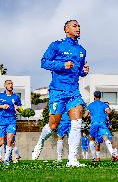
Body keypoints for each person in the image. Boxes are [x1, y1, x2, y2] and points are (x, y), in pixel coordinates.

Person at [32, 20, 89, 167]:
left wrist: (84, 72)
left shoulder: (82, 50)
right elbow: (43, 62)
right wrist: (62, 65)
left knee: (77, 123)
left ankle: (72, 160)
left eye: (79, 26)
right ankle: (41, 141)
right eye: (74, 25)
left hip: (74, 92)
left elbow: (79, 71)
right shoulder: (56, 45)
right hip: (57, 91)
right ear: (66, 29)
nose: (78, 28)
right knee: (53, 126)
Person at [0, 80, 23, 165]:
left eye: (12, 84)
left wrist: (18, 108)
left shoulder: (16, 97)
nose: (11, 85)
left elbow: (21, 109)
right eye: (9, 84)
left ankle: (6, 160)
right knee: (1, 141)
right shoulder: (0, 96)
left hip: (11, 121)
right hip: (1, 121)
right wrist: (1, 106)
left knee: (9, 140)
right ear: (5, 85)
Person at [84, 91, 118, 161]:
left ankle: (95, 157)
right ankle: (113, 154)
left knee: (92, 140)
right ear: (100, 97)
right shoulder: (104, 105)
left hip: (94, 123)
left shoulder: (90, 105)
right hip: (102, 123)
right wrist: (107, 117)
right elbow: (109, 112)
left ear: (94, 97)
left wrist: (88, 117)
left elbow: (85, 115)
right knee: (107, 139)